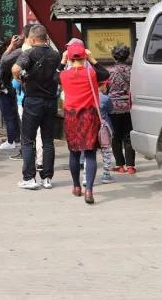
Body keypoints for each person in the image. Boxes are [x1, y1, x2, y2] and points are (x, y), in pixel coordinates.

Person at [58, 40, 110, 204]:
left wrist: (62, 61)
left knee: (74, 153)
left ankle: (76, 186)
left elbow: (53, 77)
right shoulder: (91, 74)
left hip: (71, 117)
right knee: (90, 154)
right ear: (84, 56)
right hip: (89, 117)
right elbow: (105, 74)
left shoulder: (64, 75)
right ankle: (89, 191)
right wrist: (92, 59)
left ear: (69, 57)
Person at [12, 24, 61, 191]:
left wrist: (20, 79)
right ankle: (47, 178)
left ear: (32, 39)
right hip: (50, 101)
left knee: (28, 139)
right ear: (46, 37)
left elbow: (15, 69)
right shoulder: (55, 55)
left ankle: (29, 178)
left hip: (33, 100)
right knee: (48, 140)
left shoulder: (29, 53)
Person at [108, 44, 136, 174]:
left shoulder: (109, 71)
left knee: (116, 136)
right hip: (129, 106)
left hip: (113, 106)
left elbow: (105, 88)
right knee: (128, 135)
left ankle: (120, 165)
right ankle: (130, 166)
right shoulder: (132, 71)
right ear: (127, 56)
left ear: (114, 56)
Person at [0, 36, 23, 152]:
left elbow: (3, 60)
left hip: (9, 88)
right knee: (14, 116)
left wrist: (11, 46)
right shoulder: (23, 54)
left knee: (9, 116)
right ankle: (16, 139)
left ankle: (11, 140)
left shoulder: (18, 53)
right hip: (14, 89)